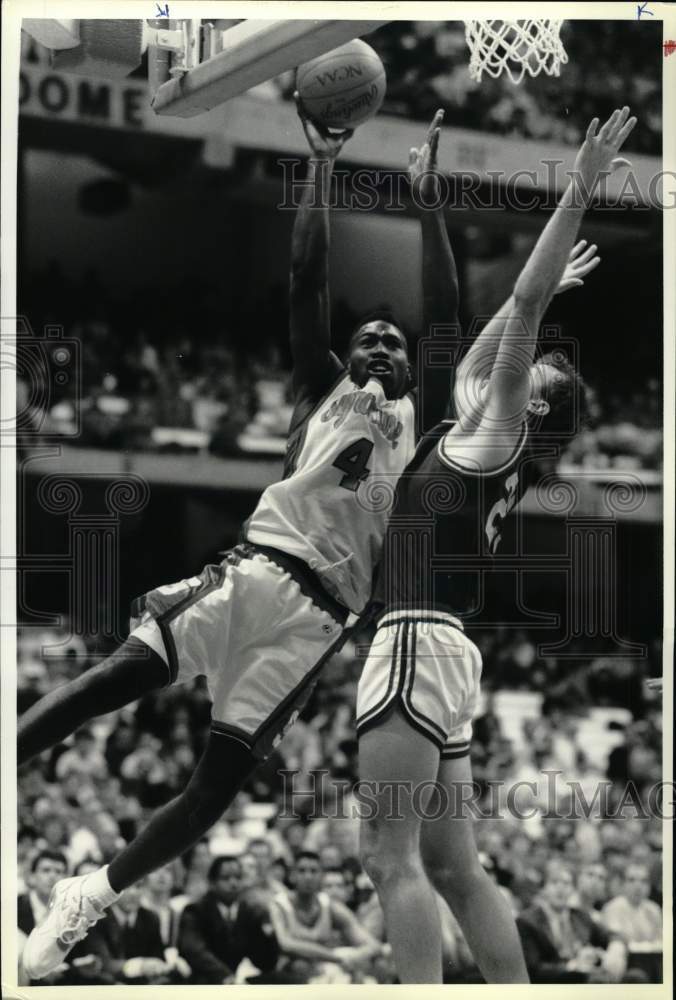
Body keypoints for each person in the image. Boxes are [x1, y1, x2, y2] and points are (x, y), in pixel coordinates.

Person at [20, 104, 460, 981]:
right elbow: (306, 281)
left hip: (319, 624)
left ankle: (90, 896)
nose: (377, 339)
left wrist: (429, 208)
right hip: (255, 574)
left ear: (412, 367)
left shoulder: (422, 421)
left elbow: (446, 311)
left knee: (213, 794)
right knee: (111, 682)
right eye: (365, 335)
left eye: (391, 339)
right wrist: (321, 170)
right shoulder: (319, 392)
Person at [356, 107, 637, 984]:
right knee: (453, 868)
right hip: (449, 652)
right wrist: (537, 293)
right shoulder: (480, 429)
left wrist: (581, 185)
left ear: (538, 401)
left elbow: (513, 311)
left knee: (388, 858)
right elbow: (494, 335)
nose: (528, 356)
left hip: (413, 637)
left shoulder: (500, 429)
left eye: (539, 363)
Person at [269, 851, 383, 982]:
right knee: (300, 965)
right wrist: (336, 958)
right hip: (285, 974)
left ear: (320, 876)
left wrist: (355, 956)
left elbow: (372, 945)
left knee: (375, 965)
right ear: (292, 876)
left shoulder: (329, 905)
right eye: (302, 871)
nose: (308, 876)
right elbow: (287, 944)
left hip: (324, 970)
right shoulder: (279, 904)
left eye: (313, 871)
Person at [177, 855, 278, 984]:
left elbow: (265, 963)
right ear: (212, 882)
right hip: (206, 980)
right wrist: (224, 976)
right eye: (226, 878)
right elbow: (194, 950)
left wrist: (268, 935)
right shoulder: (195, 910)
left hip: (238, 979)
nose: (233, 883)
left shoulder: (250, 912)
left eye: (237, 877)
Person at [517, 861, 624, 983]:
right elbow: (533, 969)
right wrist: (573, 966)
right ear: (543, 889)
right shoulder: (527, 921)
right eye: (554, 882)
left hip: (584, 980)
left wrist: (616, 948)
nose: (560, 888)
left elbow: (611, 935)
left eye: (566, 883)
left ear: (573, 889)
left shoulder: (581, 917)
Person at [601, 863, 662, 948]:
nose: (638, 886)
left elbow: (660, 941)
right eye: (631, 880)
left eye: (644, 881)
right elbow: (616, 939)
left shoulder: (654, 909)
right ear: (622, 884)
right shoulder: (612, 907)